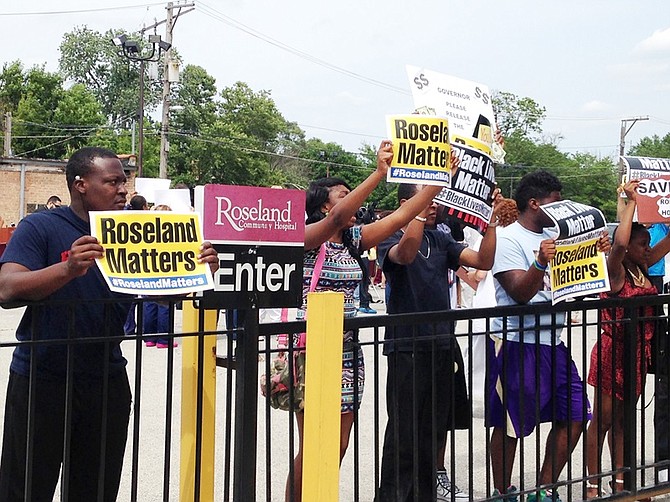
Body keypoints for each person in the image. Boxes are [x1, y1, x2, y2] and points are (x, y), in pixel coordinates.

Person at [0, 146, 218, 501]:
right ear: (80, 184)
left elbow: (161, 295)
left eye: (124, 182)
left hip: (106, 378)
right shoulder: (40, 226)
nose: (122, 190)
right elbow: (7, 289)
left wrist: (199, 271)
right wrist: (68, 268)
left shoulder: (134, 232)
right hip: (43, 376)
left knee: (96, 487)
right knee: (25, 486)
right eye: (112, 181)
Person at [286, 140, 444, 502]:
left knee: (338, 444)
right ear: (325, 203)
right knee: (313, 444)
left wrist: (438, 181)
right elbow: (336, 220)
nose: (351, 199)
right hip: (309, 348)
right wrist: (379, 174)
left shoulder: (355, 240)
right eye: (343, 193)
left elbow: (401, 219)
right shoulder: (305, 237)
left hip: (346, 350)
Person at [488, 170, 610, 502]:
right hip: (516, 342)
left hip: (553, 342)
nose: (560, 210)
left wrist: (598, 255)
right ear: (534, 203)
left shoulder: (561, 237)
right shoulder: (509, 239)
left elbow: (585, 287)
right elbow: (519, 292)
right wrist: (541, 262)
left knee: (574, 415)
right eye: (555, 202)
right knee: (513, 423)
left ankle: (543, 489)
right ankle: (503, 491)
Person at [376, 183, 503, 502]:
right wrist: (417, 213)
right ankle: (392, 496)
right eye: (426, 198)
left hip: (442, 343)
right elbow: (405, 255)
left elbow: (482, 261)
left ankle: (425, 493)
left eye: (434, 199)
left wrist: (490, 224)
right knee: (404, 430)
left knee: (433, 429)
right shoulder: (389, 237)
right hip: (406, 346)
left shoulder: (441, 237)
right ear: (406, 203)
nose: (434, 204)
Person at [585, 181, 670, 498]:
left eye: (648, 243)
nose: (648, 248)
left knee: (624, 422)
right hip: (612, 352)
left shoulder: (643, 267)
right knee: (603, 422)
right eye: (642, 243)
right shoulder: (615, 269)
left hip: (636, 353)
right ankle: (592, 484)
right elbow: (619, 244)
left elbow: (668, 241)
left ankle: (621, 482)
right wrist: (629, 202)